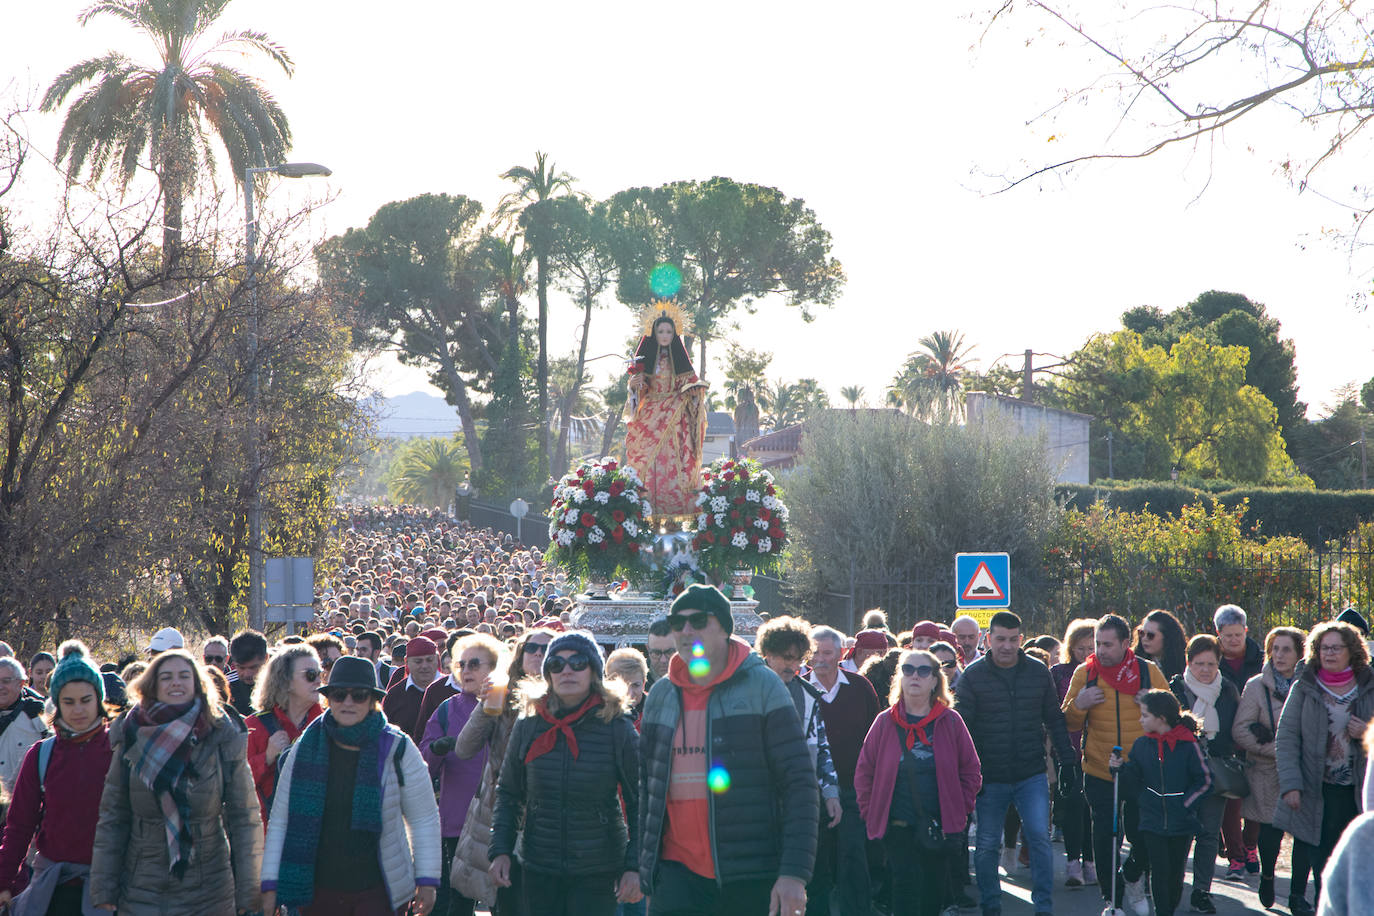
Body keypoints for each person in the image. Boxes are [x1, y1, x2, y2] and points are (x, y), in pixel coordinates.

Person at [639, 585, 818, 916]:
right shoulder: (661, 695)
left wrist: (794, 873)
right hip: (676, 877)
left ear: (724, 625)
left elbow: (799, 783)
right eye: (677, 622)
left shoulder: (764, 686)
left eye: (698, 620)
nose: (686, 630)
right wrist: (647, 873)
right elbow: (647, 791)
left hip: (749, 874)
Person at [260, 656, 440, 916]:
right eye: (339, 694)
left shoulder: (397, 747)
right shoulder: (304, 748)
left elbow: (423, 817)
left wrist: (427, 879)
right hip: (316, 892)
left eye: (358, 695)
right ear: (328, 698)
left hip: (379, 892)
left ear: (372, 701)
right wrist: (270, 884)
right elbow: (280, 821)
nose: (347, 702)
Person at [89, 649, 262, 915]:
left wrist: (249, 891)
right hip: (141, 886)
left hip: (210, 888)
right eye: (166, 677)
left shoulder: (220, 734)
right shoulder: (130, 734)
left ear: (197, 684)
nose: (176, 683)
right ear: (152, 686)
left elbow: (244, 816)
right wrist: (104, 887)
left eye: (184, 676)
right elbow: (113, 816)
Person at [489, 631, 641, 915]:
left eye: (578, 662)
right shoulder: (529, 724)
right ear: (548, 673)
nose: (567, 670)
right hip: (538, 864)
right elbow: (508, 793)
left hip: (598, 867)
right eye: (556, 664)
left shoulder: (617, 727)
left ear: (594, 669)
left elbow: (640, 802)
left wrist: (634, 865)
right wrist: (500, 850)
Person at [954, 610, 1075, 916]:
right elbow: (962, 729)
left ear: (1020, 639)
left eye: (1012, 639)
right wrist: (963, 775)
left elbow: (1054, 718)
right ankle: (991, 908)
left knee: (1039, 838)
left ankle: (1044, 908)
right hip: (988, 777)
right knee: (986, 845)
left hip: (1029, 773)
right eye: (1000, 639)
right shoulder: (973, 676)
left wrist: (1068, 762)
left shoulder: (1038, 671)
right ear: (988, 639)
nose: (1006, 646)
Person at [855, 649, 981, 916]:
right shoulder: (884, 722)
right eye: (908, 670)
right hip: (897, 825)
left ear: (935, 680)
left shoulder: (951, 721)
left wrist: (960, 809)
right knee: (904, 889)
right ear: (899, 678)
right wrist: (871, 812)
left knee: (933, 894)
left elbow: (971, 771)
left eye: (923, 671)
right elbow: (864, 772)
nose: (915, 676)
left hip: (939, 825)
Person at [0, 641, 113, 915]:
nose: (78, 710)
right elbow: (19, 826)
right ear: (56, 705)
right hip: (52, 889)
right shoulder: (41, 755)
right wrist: (3, 881)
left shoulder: (120, 751)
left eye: (86, 700)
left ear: (99, 700)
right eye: (68, 702)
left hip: (112, 888)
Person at [1061, 613, 1165, 909]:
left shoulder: (1148, 672)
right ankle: (1112, 900)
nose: (1101, 651)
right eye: (1098, 644)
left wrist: (1153, 704)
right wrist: (1080, 705)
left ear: (1125, 643)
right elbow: (1067, 721)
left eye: (1108, 644)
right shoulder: (1085, 673)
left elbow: (1172, 718)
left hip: (1142, 770)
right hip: (1098, 768)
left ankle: (1133, 877)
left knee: (1143, 833)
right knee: (1105, 836)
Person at [449, 626, 556, 913]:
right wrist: (485, 704)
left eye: (547, 649)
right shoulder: (501, 694)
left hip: (548, 820)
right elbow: (464, 748)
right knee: (505, 902)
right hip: (500, 815)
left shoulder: (567, 700)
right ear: (520, 657)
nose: (538, 654)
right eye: (532, 648)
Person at [1274, 620, 1374, 915]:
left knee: (1355, 863)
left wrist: (1365, 732)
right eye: (1323, 648)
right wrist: (1291, 785)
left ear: (1352, 650)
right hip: (1315, 791)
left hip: (1357, 792)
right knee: (1323, 865)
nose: (1329, 653)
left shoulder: (1368, 686)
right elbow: (1287, 737)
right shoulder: (1304, 687)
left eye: (1336, 648)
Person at [757, 618, 842, 916]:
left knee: (812, 884)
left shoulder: (808, 696)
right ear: (767, 653)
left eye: (797, 658)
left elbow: (822, 748)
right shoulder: (747, 692)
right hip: (759, 807)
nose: (792, 665)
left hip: (802, 804)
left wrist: (831, 793)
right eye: (785, 657)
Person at [1106, 690, 1211, 916]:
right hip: (1152, 819)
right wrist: (1118, 769)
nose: (1140, 719)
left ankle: (1168, 909)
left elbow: (1204, 780)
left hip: (1181, 821)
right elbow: (1132, 781)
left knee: (1175, 875)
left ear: (1161, 718)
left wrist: (1185, 805)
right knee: (1159, 871)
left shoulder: (1188, 744)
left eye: (1144, 715)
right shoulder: (1142, 745)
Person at [422, 634, 504, 916]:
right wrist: (436, 749)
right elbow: (423, 766)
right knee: (457, 905)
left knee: (507, 903)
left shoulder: (514, 707)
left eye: (474, 664)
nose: (466, 670)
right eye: (461, 664)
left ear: (495, 667)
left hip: (503, 824)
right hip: (458, 826)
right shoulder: (447, 709)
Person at [808, 626, 880, 916]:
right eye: (815, 652)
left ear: (841, 654)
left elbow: (875, 736)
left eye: (827, 653)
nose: (821, 659)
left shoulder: (860, 687)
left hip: (853, 789)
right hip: (813, 792)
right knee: (816, 863)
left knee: (853, 858)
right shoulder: (799, 689)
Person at [1232, 625, 1304, 909]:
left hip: (1303, 771)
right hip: (1266, 770)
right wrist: (1275, 751)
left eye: (1287, 649)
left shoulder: (1310, 684)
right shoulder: (1255, 685)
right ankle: (1268, 876)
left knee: (1304, 833)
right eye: (1275, 648)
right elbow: (1240, 731)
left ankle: (1298, 894)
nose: (1279, 655)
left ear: (1300, 653)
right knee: (1270, 831)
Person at [1168, 634, 1241, 914]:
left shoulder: (1228, 690)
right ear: (1189, 662)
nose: (1206, 670)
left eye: (1211, 663)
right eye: (1199, 663)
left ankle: (1201, 891)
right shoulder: (1175, 689)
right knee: (1181, 832)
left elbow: (1236, 727)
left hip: (1216, 772)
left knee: (1209, 834)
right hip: (1182, 773)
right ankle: (1173, 885)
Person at [623, 314, 708, 519]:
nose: (664, 336)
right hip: (649, 416)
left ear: (674, 335)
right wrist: (633, 387)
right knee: (647, 463)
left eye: (669, 332)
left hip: (675, 416)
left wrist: (694, 397)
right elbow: (638, 393)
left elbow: (692, 389)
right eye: (660, 331)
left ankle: (673, 515)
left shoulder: (681, 363)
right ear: (654, 333)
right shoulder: (645, 362)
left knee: (674, 462)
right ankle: (648, 511)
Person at [245, 644, 324, 824]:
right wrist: (266, 757)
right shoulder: (254, 726)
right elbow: (236, 787)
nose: (318, 681)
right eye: (310, 675)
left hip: (316, 835)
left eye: (320, 674)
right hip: (267, 837)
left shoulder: (328, 725)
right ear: (286, 681)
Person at [1050, 618, 1096, 889]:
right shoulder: (1058, 672)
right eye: (1081, 647)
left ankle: (1092, 862)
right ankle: (1073, 862)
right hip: (1067, 748)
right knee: (1073, 806)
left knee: (1093, 808)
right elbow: (1055, 710)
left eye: (1092, 646)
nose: (1086, 652)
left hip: (1097, 748)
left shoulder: (1102, 672)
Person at [0, 657, 49, 799]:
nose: (1, 686)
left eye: (6, 681)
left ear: (21, 683)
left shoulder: (36, 716)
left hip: (23, 806)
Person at [383, 636, 441, 741]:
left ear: (437, 659)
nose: (424, 666)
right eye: (418, 661)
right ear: (407, 662)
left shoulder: (451, 690)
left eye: (429, 660)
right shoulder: (394, 695)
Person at [1132, 609, 1186, 681]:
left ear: (1167, 637)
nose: (1144, 638)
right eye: (1141, 633)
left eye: (1150, 635)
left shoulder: (1186, 663)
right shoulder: (1131, 661)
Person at [226, 629, 268, 717]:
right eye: (241, 667)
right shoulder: (226, 685)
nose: (247, 674)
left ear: (266, 658)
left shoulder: (279, 684)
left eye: (253, 667)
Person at [645, 619, 676, 685]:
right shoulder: (635, 680)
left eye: (669, 652)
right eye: (656, 653)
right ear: (648, 649)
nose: (663, 660)